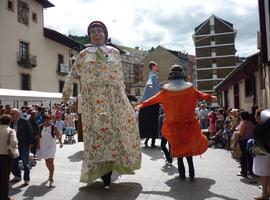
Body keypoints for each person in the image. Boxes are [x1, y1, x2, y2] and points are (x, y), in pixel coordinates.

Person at [62, 20, 141, 189]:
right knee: (96, 133)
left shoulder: (113, 52)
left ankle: (110, 169)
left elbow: (119, 77)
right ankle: (101, 170)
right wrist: (66, 92)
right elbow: (72, 73)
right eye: (92, 32)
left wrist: (123, 98)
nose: (96, 34)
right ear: (89, 36)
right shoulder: (83, 54)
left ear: (105, 34)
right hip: (92, 100)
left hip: (112, 97)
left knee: (115, 130)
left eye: (99, 31)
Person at [137, 64, 215, 180]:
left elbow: (152, 100)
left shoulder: (165, 91)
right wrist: (211, 97)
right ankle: (192, 174)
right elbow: (203, 95)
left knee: (178, 153)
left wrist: (141, 104)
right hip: (189, 126)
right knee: (188, 152)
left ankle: (182, 175)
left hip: (174, 127)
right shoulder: (190, 89)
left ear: (171, 76)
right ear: (182, 75)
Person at [36, 114, 63, 188]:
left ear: (50, 119)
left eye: (48, 119)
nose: (46, 120)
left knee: (51, 161)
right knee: (47, 162)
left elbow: (58, 135)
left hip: (51, 147)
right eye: (45, 119)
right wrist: (38, 145)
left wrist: (61, 142)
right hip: (43, 146)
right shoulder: (40, 127)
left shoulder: (53, 127)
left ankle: (51, 178)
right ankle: (50, 172)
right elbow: (38, 136)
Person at [10, 108, 34, 186]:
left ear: (17, 114)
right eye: (10, 114)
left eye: (12, 114)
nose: (11, 115)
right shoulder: (10, 123)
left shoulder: (24, 121)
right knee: (14, 161)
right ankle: (17, 176)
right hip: (14, 145)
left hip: (24, 144)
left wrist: (31, 143)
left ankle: (26, 179)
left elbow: (30, 132)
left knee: (25, 162)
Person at [139, 61, 160, 148]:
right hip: (152, 101)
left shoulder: (153, 75)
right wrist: (150, 85)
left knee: (152, 121)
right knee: (153, 121)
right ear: (153, 66)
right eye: (156, 65)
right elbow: (150, 81)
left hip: (152, 101)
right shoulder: (153, 75)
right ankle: (150, 142)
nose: (157, 66)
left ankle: (149, 141)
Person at [253, 109, 270, 200]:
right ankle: (267, 191)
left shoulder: (261, 126)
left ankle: (264, 194)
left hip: (262, 152)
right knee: (268, 173)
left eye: (256, 115)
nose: (255, 117)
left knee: (264, 174)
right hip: (266, 151)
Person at [0, 114, 17, 200]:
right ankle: (4, 197)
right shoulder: (11, 131)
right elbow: (14, 142)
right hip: (6, 156)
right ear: (9, 122)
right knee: (5, 177)